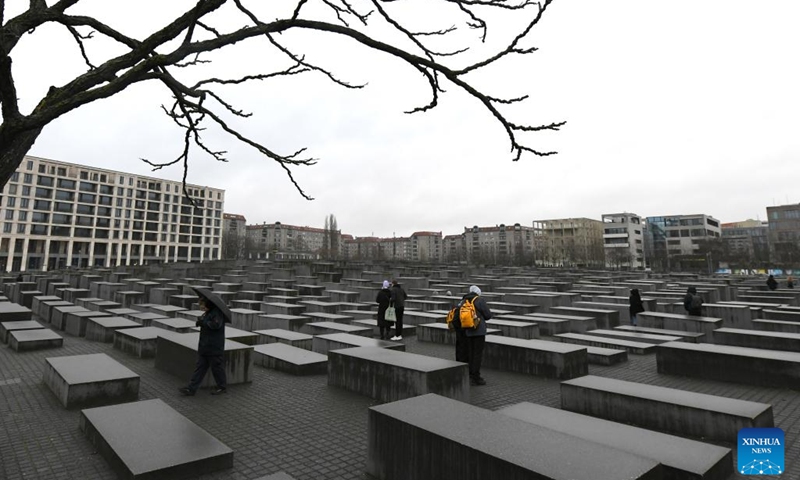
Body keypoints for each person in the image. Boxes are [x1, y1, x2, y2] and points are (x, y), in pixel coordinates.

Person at [179, 293, 228, 396]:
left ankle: (222, 387)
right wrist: (201, 321)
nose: (201, 307)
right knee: (200, 368)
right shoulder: (208, 312)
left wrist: (203, 323)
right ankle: (191, 389)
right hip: (205, 346)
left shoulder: (217, 313)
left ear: (208, 304)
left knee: (217, 368)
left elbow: (216, 325)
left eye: (202, 305)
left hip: (214, 347)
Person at [455, 285, 492, 386]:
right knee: (477, 354)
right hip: (479, 331)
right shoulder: (479, 300)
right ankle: (475, 377)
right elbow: (488, 315)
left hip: (467, 331)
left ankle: (469, 374)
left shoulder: (463, 300)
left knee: (470, 353)